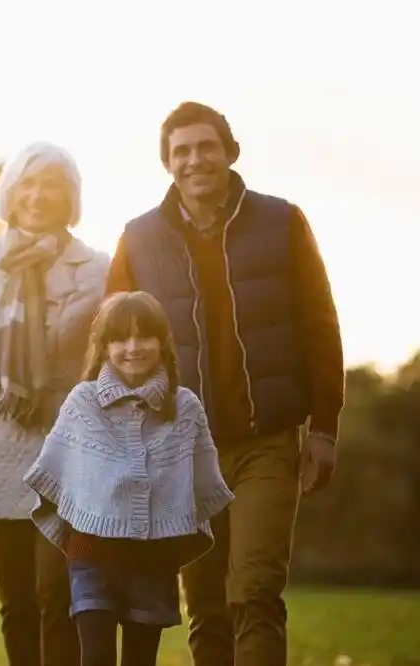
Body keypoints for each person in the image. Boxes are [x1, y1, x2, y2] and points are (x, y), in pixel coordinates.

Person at [105, 101, 345, 666]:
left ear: (230, 153)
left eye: (205, 147)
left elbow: (320, 326)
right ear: (167, 164)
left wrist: (325, 429)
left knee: (254, 593)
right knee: (207, 607)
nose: (194, 160)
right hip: (180, 449)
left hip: (267, 441)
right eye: (180, 151)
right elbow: (111, 342)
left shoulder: (282, 222)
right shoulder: (138, 238)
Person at [0, 142, 110, 666]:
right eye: (28, 184)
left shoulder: (97, 270)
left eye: (52, 185)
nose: (39, 196)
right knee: (15, 601)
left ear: (71, 198)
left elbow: (113, 353)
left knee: (56, 594)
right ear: (10, 195)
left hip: (69, 447)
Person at [23, 291, 234, 666]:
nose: (133, 347)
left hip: (155, 556)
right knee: (97, 656)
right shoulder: (82, 402)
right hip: (90, 552)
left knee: (140, 659)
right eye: (120, 338)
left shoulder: (184, 407)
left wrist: (175, 531)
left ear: (162, 342)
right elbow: (56, 479)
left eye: (144, 336)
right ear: (104, 347)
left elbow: (202, 488)